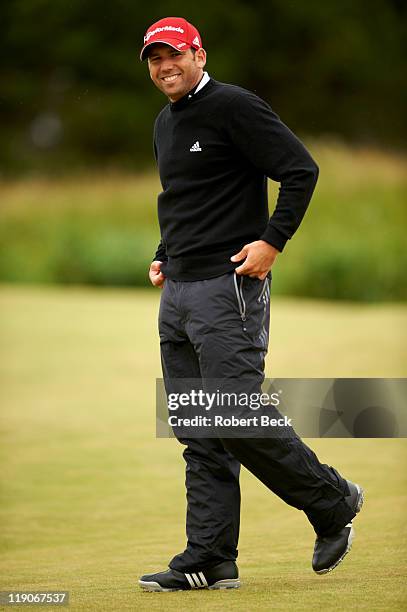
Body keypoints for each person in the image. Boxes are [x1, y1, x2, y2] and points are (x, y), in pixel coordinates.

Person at [138, 17, 364, 592]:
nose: (164, 67)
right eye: (154, 59)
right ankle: (211, 556)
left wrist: (272, 241)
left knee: (234, 415)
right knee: (199, 428)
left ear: (197, 53)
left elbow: (299, 170)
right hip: (180, 292)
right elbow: (184, 199)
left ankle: (334, 502)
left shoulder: (234, 106)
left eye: (174, 55)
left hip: (227, 287)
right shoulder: (166, 123)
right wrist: (166, 251)